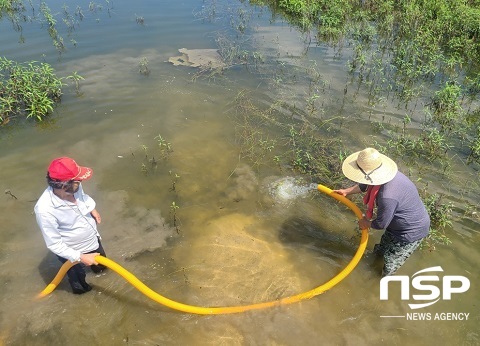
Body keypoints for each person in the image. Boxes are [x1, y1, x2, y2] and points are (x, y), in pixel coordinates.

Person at [334, 148, 430, 276]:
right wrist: (347, 191)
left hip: (410, 232)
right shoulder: (386, 177)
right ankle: (374, 264)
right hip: (396, 224)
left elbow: (381, 224)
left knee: (390, 262)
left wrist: (366, 223)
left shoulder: (387, 196)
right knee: (381, 249)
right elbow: (365, 184)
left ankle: (379, 285)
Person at [34, 157, 107, 294]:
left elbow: (83, 197)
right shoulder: (45, 210)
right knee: (80, 285)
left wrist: (92, 208)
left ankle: (101, 273)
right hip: (72, 254)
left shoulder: (74, 186)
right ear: (63, 185)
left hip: (93, 240)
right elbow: (54, 244)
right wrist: (81, 257)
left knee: (103, 269)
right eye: (77, 180)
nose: (80, 182)